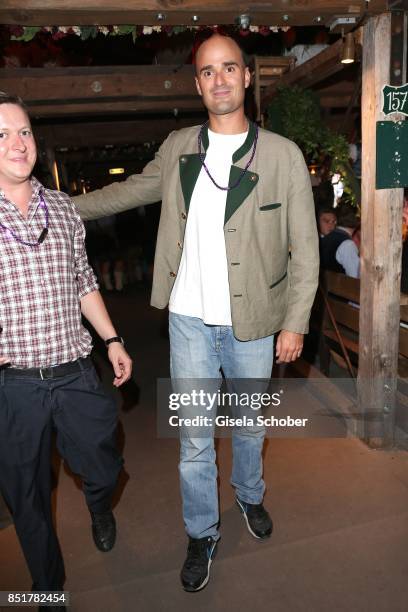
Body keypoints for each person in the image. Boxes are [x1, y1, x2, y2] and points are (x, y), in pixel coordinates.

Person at [73, 33, 319, 592]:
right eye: (208, 72)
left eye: (229, 68)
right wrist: (57, 204)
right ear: (198, 84)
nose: (220, 80)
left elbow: (305, 247)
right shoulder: (181, 145)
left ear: (248, 77)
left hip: (255, 323)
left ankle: (250, 496)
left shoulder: (281, 155)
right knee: (195, 438)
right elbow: (130, 192)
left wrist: (296, 320)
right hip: (187, 321)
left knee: (250, 425)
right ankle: (202, 531)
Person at [0, 93, 132, 606]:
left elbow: (83, 280)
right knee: (26, 497)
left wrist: (113, 339)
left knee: (103, 465)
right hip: (14, 385)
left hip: (75, 369)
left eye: (25, 131)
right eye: (2, 135)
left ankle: (100, 504)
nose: (17, 143)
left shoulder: (62, 207)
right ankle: (48, 589)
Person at [318, 206, 360, 278]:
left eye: (333, 221)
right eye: (326, 221)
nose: (330, 225)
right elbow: (355, 279)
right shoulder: (347, 244)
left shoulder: (323, 240)